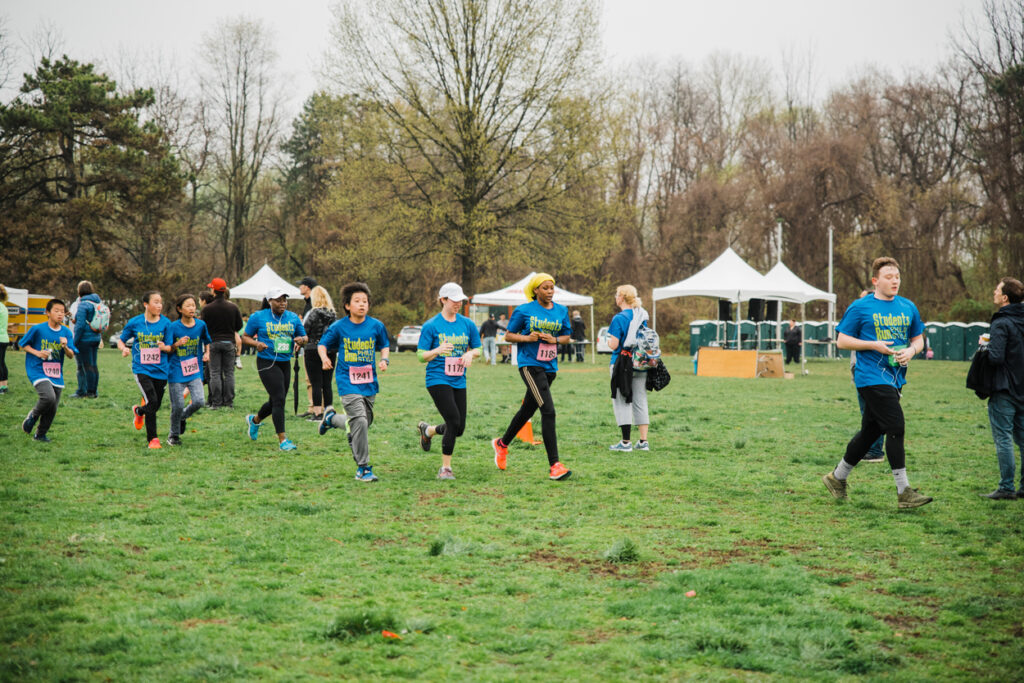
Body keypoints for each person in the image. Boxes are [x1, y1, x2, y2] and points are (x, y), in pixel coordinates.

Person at [822, 257, 932, 509]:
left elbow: (918, 339)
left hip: (895, 377)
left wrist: (911, 352)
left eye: (897, 277)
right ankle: (904, 491)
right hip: (869, 376)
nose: (895, 281)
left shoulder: (908, 307)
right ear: (875, 281)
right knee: (896, 425)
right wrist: (874, 345)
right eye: (889, 277)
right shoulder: (861, 307)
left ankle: (837, 478)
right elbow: (842, 341)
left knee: (871, 431)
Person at [490, 273, 572, 481]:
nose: (550, 292)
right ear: (536, 290)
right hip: (530, 365)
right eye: (545, 288)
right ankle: (555, 465)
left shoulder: (562, 311)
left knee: (527, 410)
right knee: (548, 411)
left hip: (550, 367)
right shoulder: (524, 310)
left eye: (552, 288)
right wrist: (527, 337)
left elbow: (566, 337)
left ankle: (502, 443)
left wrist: (554, 339)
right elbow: (508, 335)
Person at [317, 282, 390, 482]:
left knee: (363, 423)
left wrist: (384, 359)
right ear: (347, 306)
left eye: (365, 301)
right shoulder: (339, 327)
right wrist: (324, 357)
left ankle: (331, 419)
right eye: (357, 301)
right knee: (359, 420)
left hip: (369, 383)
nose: (361, 304)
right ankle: (363, 468)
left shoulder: (376, 325)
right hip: (347, 381)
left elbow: (384, 344)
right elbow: (322, 344)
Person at [416, 282, 482, 480]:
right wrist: (437, 351)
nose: (458, 303)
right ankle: (445, 469)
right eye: (454, 300)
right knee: (453, 420)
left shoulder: (467, 324)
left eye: (461, 300)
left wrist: (471, 354)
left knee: (459, 428)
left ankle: (428, 430)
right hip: (437, 378)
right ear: (443, 300)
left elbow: (479, 348)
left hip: (459, 379)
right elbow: (420, 356)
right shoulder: (431, 326)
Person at [242, 288, 308, 452]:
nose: (282, 303)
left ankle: (254, 420)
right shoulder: (258, 317)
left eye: (285, 300)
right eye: (278, 300)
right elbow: (245, 337)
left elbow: (305, 337)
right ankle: (283, 440)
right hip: (266, 362)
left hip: (285, 362)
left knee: (275, 400)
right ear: (269, 301)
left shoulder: (293, 318)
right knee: (279, 399)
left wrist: (301, 340)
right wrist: (256, 344)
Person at [980, 277, 1024, 500]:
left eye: (997, 289)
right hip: (1023, 388)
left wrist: (985, 345)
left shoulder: (1001, 322)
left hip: (1005, 388)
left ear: (1005, 298)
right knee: (1023, 438)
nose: (994, 292)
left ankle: (1006, 487)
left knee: (1003, 437)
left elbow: (996, 357)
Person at [118, 291, 172, 449]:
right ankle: (153, 439)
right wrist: (124, 349)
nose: (159, 305)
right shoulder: (135, 322)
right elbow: (121, 340)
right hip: (141, 368)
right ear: (146, 304)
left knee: (156, 404)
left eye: (160, 302)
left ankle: (139, 411)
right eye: (155, 302)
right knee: (152, 401)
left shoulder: (166, 323)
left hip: (161, 369)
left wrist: (165, 347)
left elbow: (169, 347)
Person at [20, 299, 77, 442]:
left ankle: (40, 435)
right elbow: (23, 344)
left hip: (56, 372)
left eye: (62, 311)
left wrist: (65, 347)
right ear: (47, 313)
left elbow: (71, 355)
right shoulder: (38, 329)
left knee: (53, 407)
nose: (60, 314)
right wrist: (38, 353)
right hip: (37, 369)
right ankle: (33, 415)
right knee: (48, 397)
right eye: (56, 311)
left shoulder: (66, 332)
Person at [606, 285, 651, 452]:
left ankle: (625, 442)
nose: (615, 297)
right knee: (640, 399)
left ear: (622, 297)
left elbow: (614, 344)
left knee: (622, 399)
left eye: (616, 294)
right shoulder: (641, 315)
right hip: (640, 362)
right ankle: (643, 441)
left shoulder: (619, 318)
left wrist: (608, 340)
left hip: (621, 362)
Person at [165, 294, 211, 446]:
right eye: (188, 306)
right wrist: (177, 344)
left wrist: (207, 352)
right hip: (176, 370)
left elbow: (207, 340)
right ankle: (174, 435)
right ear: (179, 309)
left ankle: (183, 417)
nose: (192, 308)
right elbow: (168, 348)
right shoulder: (173, 326)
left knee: (199, 401)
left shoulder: (201, 325)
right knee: (177, 405)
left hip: (194, 369)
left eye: (193, 305)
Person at [849, 291, 885, 463]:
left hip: (869, 373)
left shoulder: (869, 322)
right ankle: (870, 448)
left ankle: (874, 450)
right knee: (869, 412)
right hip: (860, 370)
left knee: (872, 412)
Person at [201, 279, 243, 410]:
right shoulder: (233, 307)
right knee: (229, 373)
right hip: (229, 343)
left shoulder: (207, 309)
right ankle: (229, 402)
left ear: (213, 290)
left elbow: (203, 327)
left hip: (213, 343)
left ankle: (216, 403)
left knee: (215, 373)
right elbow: (239, 326)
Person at [302, 285, 337, 422]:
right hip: (330, 350)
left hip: (312, 349)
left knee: (316, 383)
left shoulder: (312, 313)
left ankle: (317, 413)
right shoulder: (333, 315)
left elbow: (305, 331)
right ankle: (329, 411)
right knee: (327, 383)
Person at [70, 280, 102, 398]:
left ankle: (89, 392)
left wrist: (74, 342)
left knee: (87, 366)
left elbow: (80, 325)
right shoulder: (97, 302)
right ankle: (93, 391)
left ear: (80, 291)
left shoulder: (83, 304)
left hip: (85, 339)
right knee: (93, 365)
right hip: (95, 337)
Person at [0, 284, 9, 395]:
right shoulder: (3, 306)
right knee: (2, 362)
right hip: (4, 338)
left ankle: (2, 386)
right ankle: (4, 385)